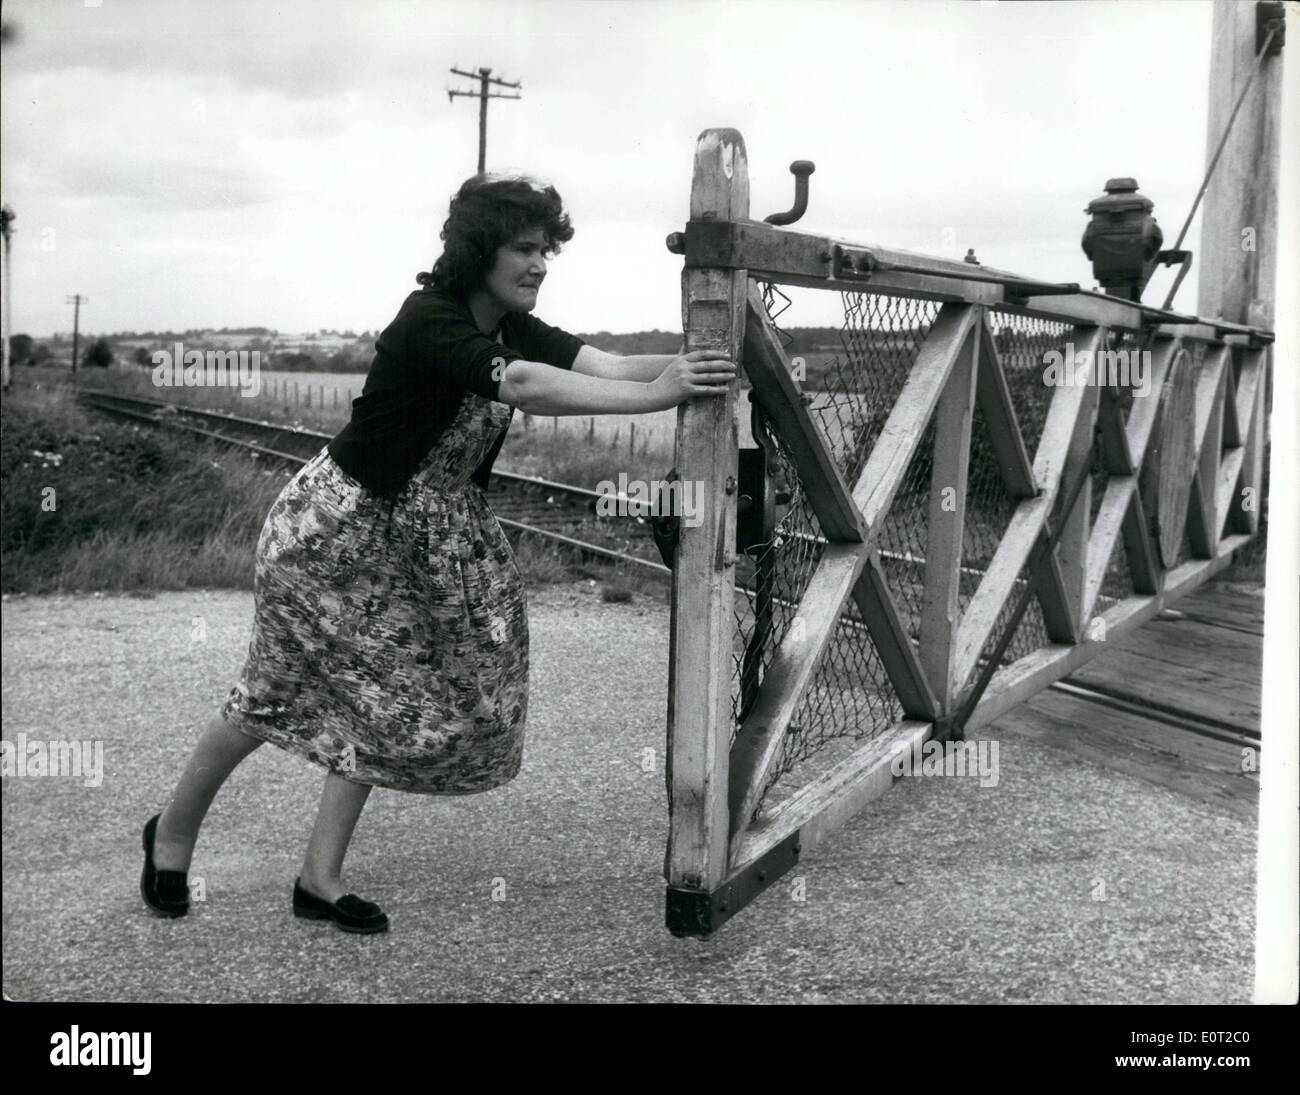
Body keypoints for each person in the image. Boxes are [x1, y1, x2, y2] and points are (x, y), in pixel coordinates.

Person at [140, 173, 736, 932]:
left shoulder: (516, 323)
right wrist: (659, 395)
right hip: (333, 535)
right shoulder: (432, 319)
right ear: (479, 249)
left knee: (386, 703)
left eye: (545, 249)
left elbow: (607, 366)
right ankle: (172, 835)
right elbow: (522, 385)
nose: (539, 263)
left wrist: (697, 366)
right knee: (272, 693)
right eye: (524, 248)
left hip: (421, 541)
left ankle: (317, 880)